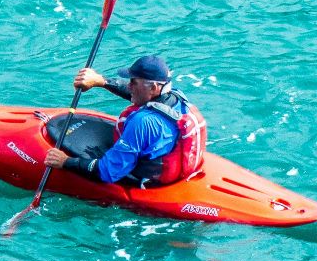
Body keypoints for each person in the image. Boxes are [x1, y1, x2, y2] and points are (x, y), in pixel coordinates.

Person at [45, 54, 207, 188]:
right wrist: (101, 81)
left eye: (133, 82)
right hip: (178, 171)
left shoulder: (142, 123)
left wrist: (66, 162)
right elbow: (138, 97)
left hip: (146, 181)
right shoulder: (176, 98)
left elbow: (108, 172)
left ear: (154, 87)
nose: (129, 86)